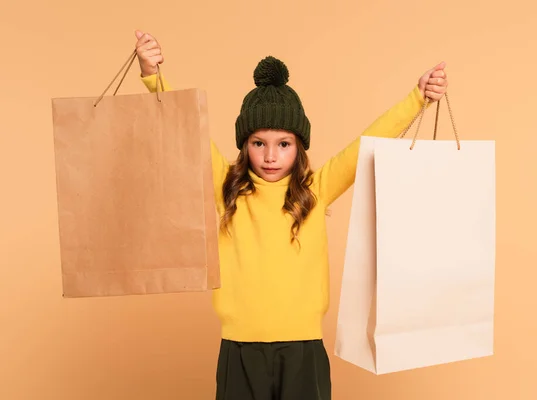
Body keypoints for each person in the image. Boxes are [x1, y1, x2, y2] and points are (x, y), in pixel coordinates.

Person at [133, 30, 448, 400]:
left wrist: (418, 98)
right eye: (258, 144)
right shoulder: (227, 188)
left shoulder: (316, 189)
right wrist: (153, 76)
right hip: (239, 347)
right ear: (244, 145)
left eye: (283, 144)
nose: (270, 157)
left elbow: (367, 143)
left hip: (302, 349)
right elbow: (185, 130)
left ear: (298, 146)